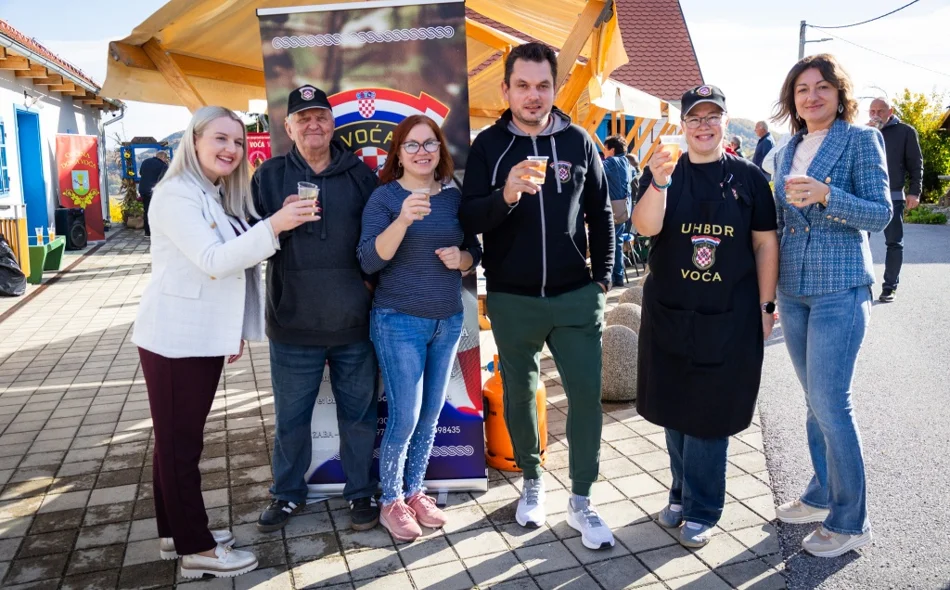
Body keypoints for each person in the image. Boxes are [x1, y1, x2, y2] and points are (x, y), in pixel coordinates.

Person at [132, 106, 319, 578]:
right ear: (194, 140)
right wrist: (275, 225)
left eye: (238, 142)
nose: (230, 150)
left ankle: (176, 533)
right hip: (175, 339)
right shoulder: (176, 194)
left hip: (198, 336)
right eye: (220, 138)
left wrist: (231, 328)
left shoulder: (209, 193)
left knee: (175, 443)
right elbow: (214, 260)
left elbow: (228, 273)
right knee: (179, 447)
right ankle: (197, 549)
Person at [459, 42, 616, 550]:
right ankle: (532, 480)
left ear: (554, 87)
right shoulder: (488, 146)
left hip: (575, 295)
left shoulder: (577, 140)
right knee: (521, 395)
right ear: (505, 89)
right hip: (512, 297)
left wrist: (604, 279)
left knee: (587, 399)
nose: (533, 95)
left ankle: (583, 499)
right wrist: (504, 194)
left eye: (542, 85)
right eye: (522, 85)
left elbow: (601, 214)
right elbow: (469, 218)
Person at [631, 85, 779, 549]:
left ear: (724, 122)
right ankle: (680, 490)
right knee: (674, 410)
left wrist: (767, 306)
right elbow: (645, 227)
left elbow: (765, 244)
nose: (703, 125)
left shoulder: (750, 178)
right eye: (695, 117)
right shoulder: (662, 171)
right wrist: (656, 183)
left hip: (729, 317)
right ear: (683, 124)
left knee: (709, 417)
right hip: (670, 313)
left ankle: (703, 507)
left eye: (713, 116)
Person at [771, 54, 891, 558]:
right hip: (793, 290)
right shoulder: (785, 149)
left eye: (821, 87)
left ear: (839, 94)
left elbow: (881, 214)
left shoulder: (863, 139)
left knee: (831, 403)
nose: (812, 96)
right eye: (802, 89)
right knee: (813, 403)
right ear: (792, 100)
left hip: (841, 289)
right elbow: (775, 223)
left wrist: (827, 195)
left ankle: (850, 519)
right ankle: (822, 491)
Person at [253, 85, 381, 533]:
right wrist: (277, 223)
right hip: (291, 323)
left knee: (359, 417)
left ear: (332, 123)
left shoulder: (362, 178)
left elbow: (377, 245)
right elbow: (249, 244)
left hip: (354, 323)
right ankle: (287, 495)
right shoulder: (267, 177)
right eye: (302, 118)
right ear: (287, 127)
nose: (312, 124)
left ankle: (361, 492)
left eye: (320, 116)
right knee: (291, 419)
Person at [357, 115, 481, 541]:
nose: (422, 152)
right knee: (405, 418)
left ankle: (415, 491)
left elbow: (474, 252)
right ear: (398, 153)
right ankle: (390, 498)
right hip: (398, 322)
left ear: (440, 150)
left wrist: (460, 259)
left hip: (446, 321)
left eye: (429, 144)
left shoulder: (452, 196)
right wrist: (403, 220)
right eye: (411, 145)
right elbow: (369, 261)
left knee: (429, 415)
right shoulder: (384, 199)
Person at [868, 97, 923, 302]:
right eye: (872, 111)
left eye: (880, 111)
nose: (876, 115)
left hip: (893, 197)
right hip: (865, 198)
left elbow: (916, 164)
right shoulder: (864, 132)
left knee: (894, 243)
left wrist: (914, 192)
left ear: (890, 110)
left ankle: (889, 287)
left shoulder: (906, 132)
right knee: (860, 242)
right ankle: (862, 285)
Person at [603, 135, 633, 287]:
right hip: (624, 209)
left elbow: (594, 169)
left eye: (605, 149)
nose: (604, 153)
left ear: (612, 150)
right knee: (617, 243)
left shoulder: (612, 162)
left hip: (612, 209)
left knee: (609, 243)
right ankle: (619, 276)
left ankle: (609, 277)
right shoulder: (627, 163)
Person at [138, 150, 169, 237]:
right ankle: (156, 232)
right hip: (154, 191)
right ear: (163, 157)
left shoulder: (145, 162)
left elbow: (141, 173)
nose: (166, 160)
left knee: (146, 210)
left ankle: (147, 232)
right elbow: (164, 179)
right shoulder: (163, 165)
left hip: (143, 189)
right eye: (166, 158)